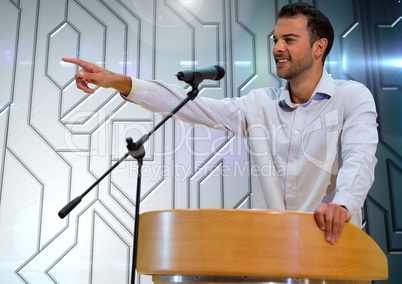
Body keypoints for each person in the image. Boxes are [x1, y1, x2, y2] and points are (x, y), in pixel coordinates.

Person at [62, 3, 378, 245]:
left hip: (334, 246)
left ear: (318, 47)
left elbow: (360, 157)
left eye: (289, 40)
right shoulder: (258, 104)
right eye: (276, 39)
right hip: (270, 251)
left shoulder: (352, 97)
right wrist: (120, 81)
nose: (277, 48)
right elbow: (190, 106)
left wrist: (343, 203)